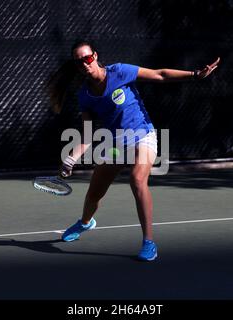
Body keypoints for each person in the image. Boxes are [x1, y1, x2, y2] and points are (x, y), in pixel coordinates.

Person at [48, 40, 220, 261]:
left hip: (142, 135)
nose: (85, 64)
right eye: (79, 61)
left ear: (96, 56)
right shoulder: (85, 96)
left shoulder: (119, 72)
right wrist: (71, 159)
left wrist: (195, 75)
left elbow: (160, 75)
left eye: (87, 58)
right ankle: (85, 222)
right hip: (116, 145)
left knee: (137, 180)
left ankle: (149, 242)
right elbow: (88, 133)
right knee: (95, 192)